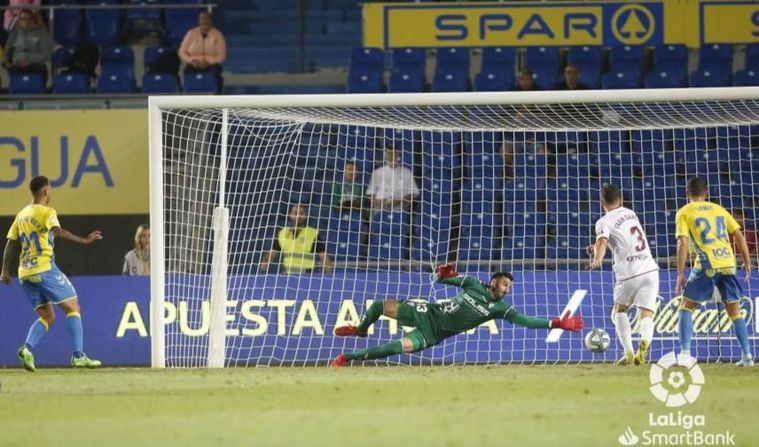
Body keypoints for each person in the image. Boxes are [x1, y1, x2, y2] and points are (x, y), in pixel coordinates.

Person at [330, 264, 584, 367]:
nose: (508, 290)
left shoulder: (500, 309)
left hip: (433, 334)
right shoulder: (472, 283)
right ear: (494, 281)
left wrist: (557, 323)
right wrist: (443, 273)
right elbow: (438, 279)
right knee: (377, 306)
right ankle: (361, 329)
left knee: (394, 347)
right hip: (426, 312)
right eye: (506, 285)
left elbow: (526, 321)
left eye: (510, 287)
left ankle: (348, 358)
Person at [1, 176, 103, 372]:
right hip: (45, 268)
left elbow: (11, 244)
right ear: (46, 191)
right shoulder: (47, 212)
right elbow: (59, 232)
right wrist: (84, 240)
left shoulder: (21, 215)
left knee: (48, 316)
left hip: (25, 273)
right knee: (73, 307)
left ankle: (27, 349)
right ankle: (78, 356)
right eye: (51, 190)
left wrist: (5, 271)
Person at [675, 178, 753, 367]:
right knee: (734, 311)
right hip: (728, 262)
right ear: (706, 193)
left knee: (686, 306)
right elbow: (739, 236)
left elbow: (682, 243)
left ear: (688, 195)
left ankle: (685, 355)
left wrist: (680, 274)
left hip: (707, 263)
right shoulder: (719, 209)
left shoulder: (684, 211)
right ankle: (747, 356)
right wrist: (747, 261)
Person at [587, 184, 659, 365]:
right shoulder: (631, 213)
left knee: (620, 311)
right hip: (650, 269)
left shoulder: (603, 221)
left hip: (629, 273)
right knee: (646, 314)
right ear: (621, 200)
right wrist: (597, 248)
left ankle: (628, 352)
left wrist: (597, 258)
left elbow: (603, 242)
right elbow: (623, 240)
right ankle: (644, 347)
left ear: (602, 202)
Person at [259, 204, 334, 274]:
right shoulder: (282, 233)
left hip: (307, 275)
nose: (298, 216)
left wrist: (330, 275)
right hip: (287, 275)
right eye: (295, 213)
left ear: (306, 215)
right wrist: (264, 265)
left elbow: (323, 256)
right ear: (290, 215)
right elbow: (272, 253)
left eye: (301, 213)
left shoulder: (313, 233)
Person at [178, 10, 226, 92]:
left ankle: (216, 98)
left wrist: (208, 62)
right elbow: (182, 52)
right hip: (193, 64)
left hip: (211, 65)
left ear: (211, 21)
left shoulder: (217, 35)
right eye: (202, 19)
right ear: (199, 21)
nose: (204, 21)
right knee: (187, 72)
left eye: (207, 19)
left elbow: (221, 56)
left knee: (217, 75)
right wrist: (191, 61)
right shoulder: (191, 33)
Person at [2, 8, 51, 83]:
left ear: (32, 20)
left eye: (29, 19)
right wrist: (6, 62)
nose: (26, 21)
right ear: (19, 20)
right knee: (13, 72)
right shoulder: (14, 34)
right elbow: (7, 51)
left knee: (40, 70)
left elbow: (46, 54)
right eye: (23, 19)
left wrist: (30, 60)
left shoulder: (41, 33)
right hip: (17, 65)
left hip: (35, 65)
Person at [366, 146, 419, 212]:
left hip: (400, 208)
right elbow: (371, 194)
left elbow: (413, 193)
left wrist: (399, 201)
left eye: (393, 153)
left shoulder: (407, 172)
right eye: (388, 153)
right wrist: (383, 204)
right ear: (384, 155)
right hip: (379, 208)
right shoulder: (377, 172)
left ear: (397, 154)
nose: (390, 155)